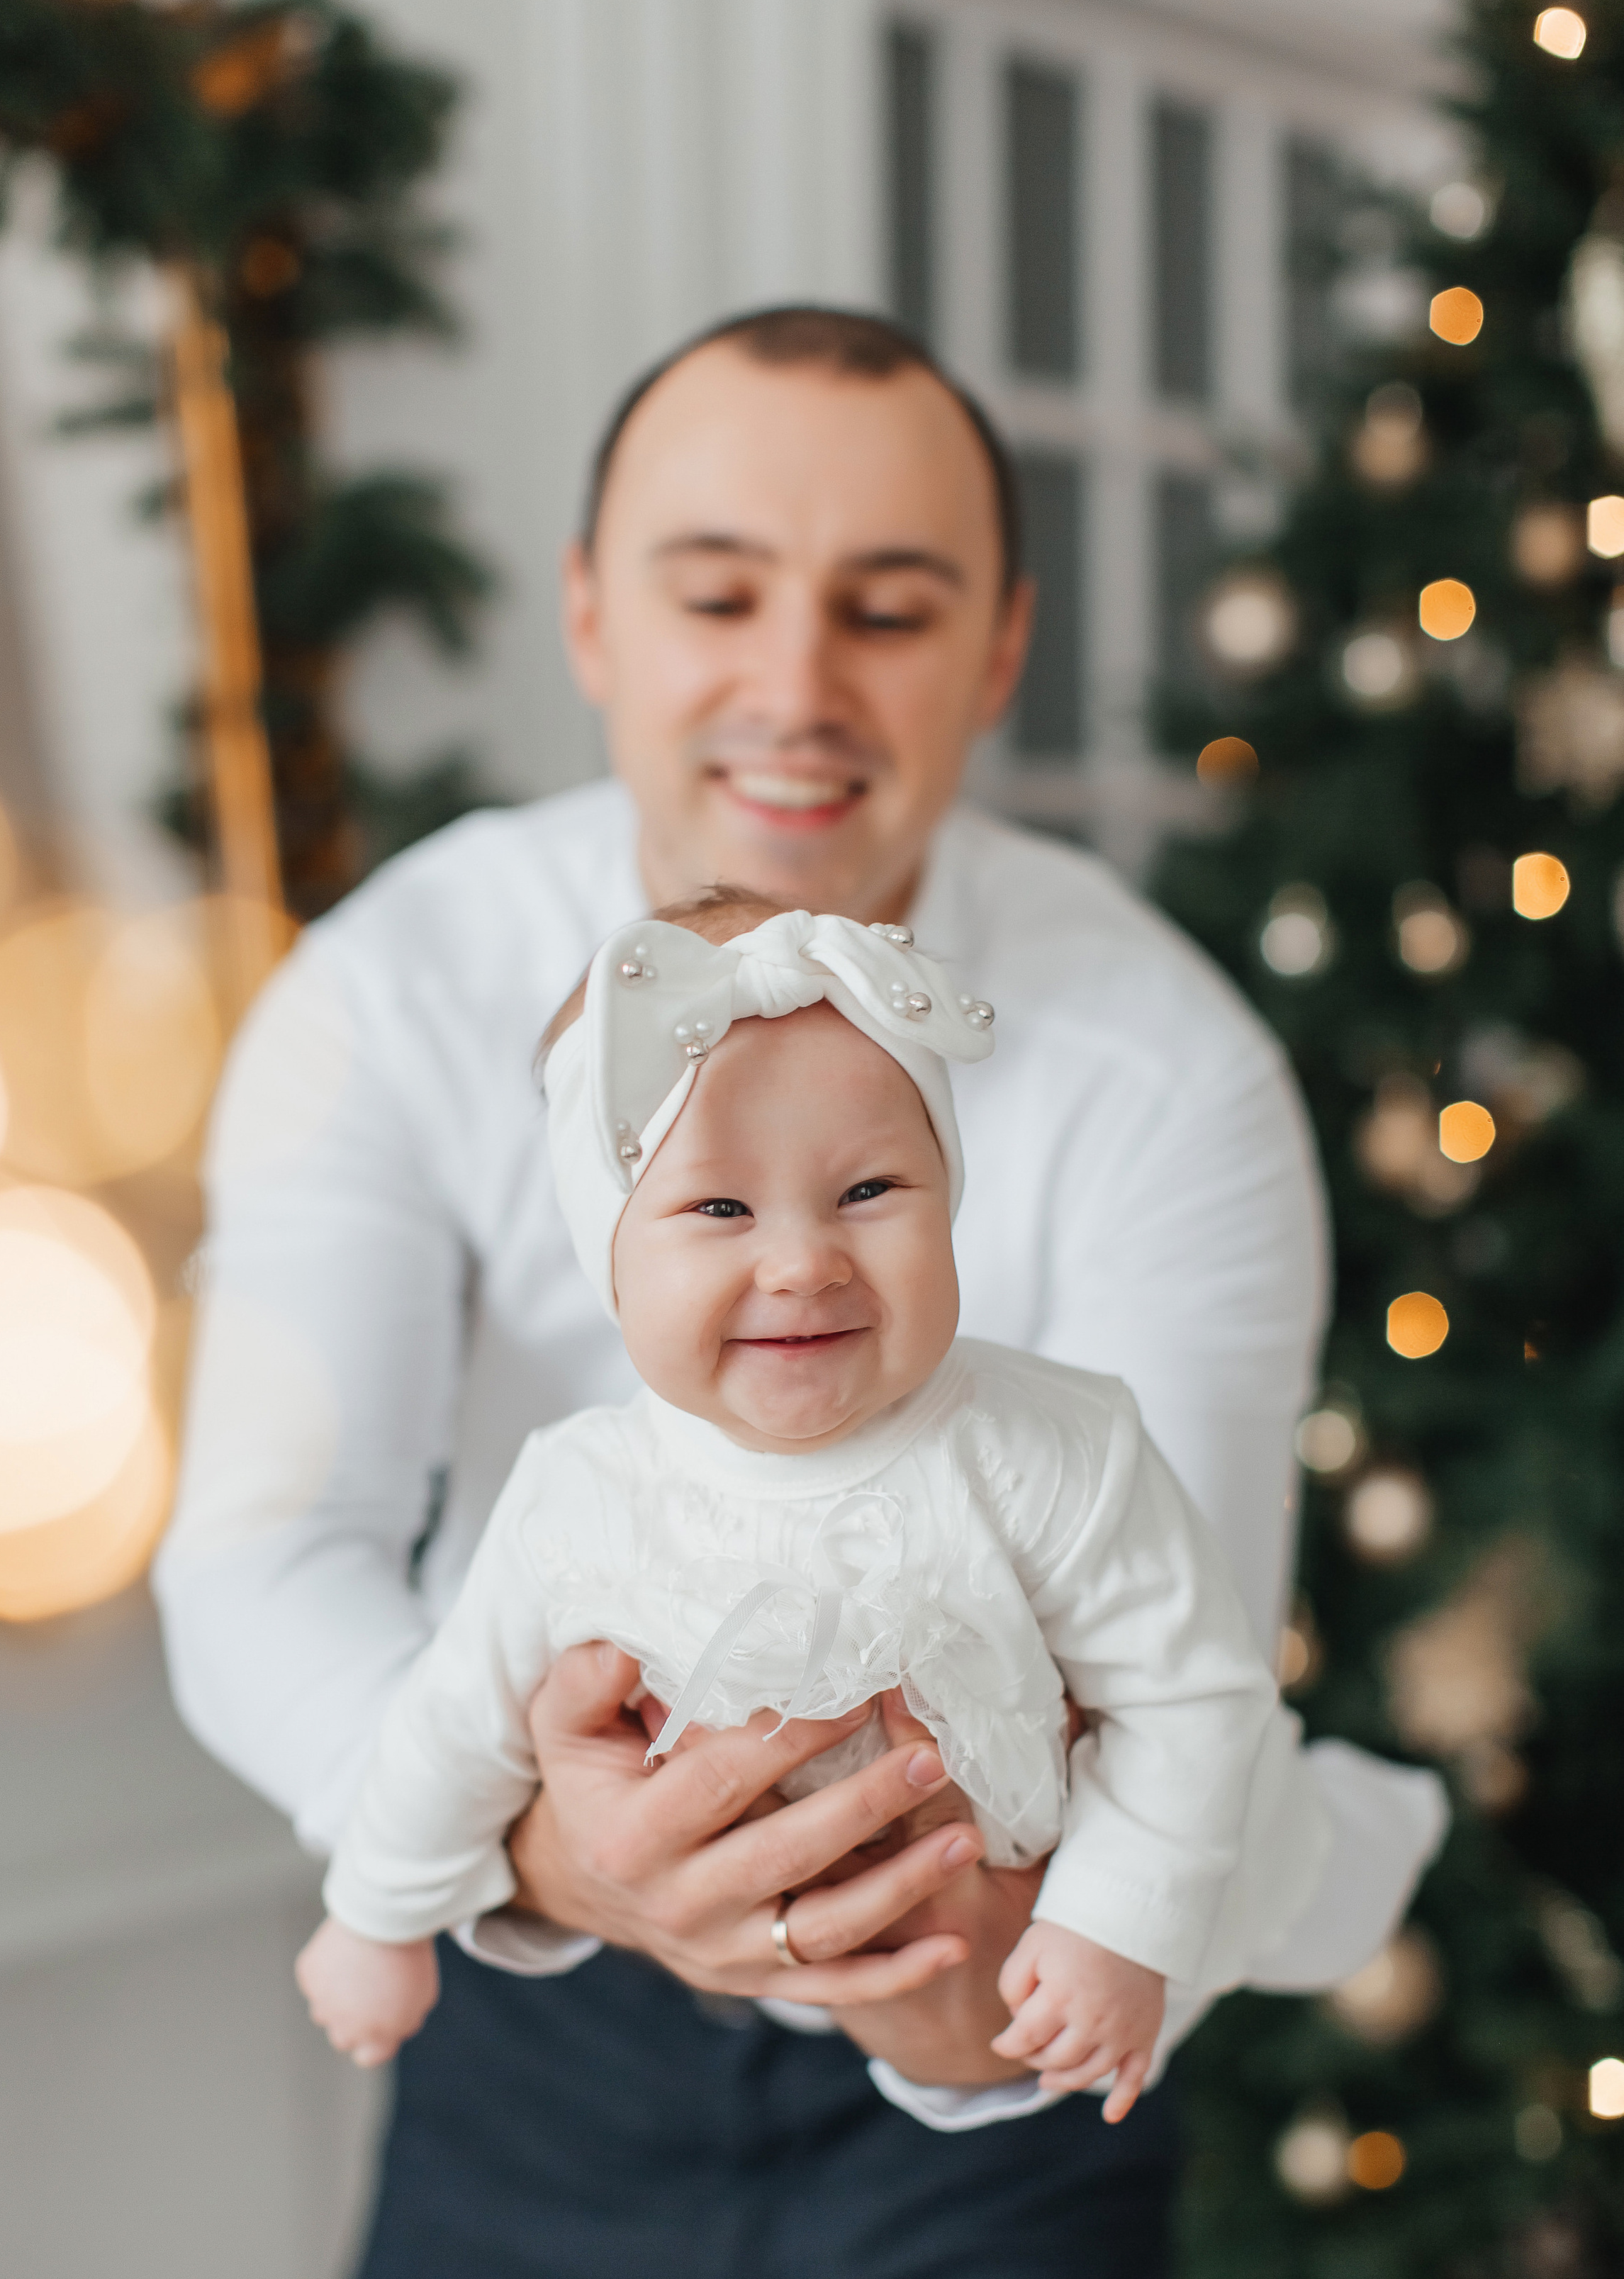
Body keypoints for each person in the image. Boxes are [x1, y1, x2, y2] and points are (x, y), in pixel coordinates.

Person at [155, 306, 1442, 2279]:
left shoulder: (1169, 1080)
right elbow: (264, 1556)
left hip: (1001, 2017)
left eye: (891, 604)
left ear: (1002, 646)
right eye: (719, 589)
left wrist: (983, 1992)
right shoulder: (393, 994)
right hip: (524, 2043)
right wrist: (537, 1859)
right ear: (589, 614)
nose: (797, 684)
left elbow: (1176, 1686)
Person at [296, 892, 1437, 2130]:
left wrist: (1111, 1926)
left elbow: (1188, 1697)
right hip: (648, 1997)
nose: (803, 1263)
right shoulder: (577, 1497)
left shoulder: (1041, 1447)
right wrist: (375, 1917)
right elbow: (451, 1725)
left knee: (1277, 1872)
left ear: (949, 1198)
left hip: (1024, 1923)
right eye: (720, 1209)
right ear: (609, 1254)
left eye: (870, 1189)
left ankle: (1369, 1845)